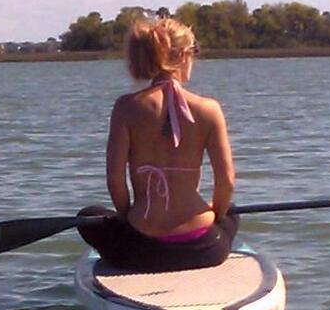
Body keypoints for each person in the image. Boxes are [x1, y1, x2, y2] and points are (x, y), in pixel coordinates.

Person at [78, 18, 238, 272]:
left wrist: (127, 221)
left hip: (143, 250)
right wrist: (215, 216)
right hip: (204, 250)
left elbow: (115, 181)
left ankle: (131, 247)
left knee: (88, 216)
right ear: (183, 56)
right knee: (232, 211)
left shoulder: (126, 108)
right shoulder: (210, 109)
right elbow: (226, 182)